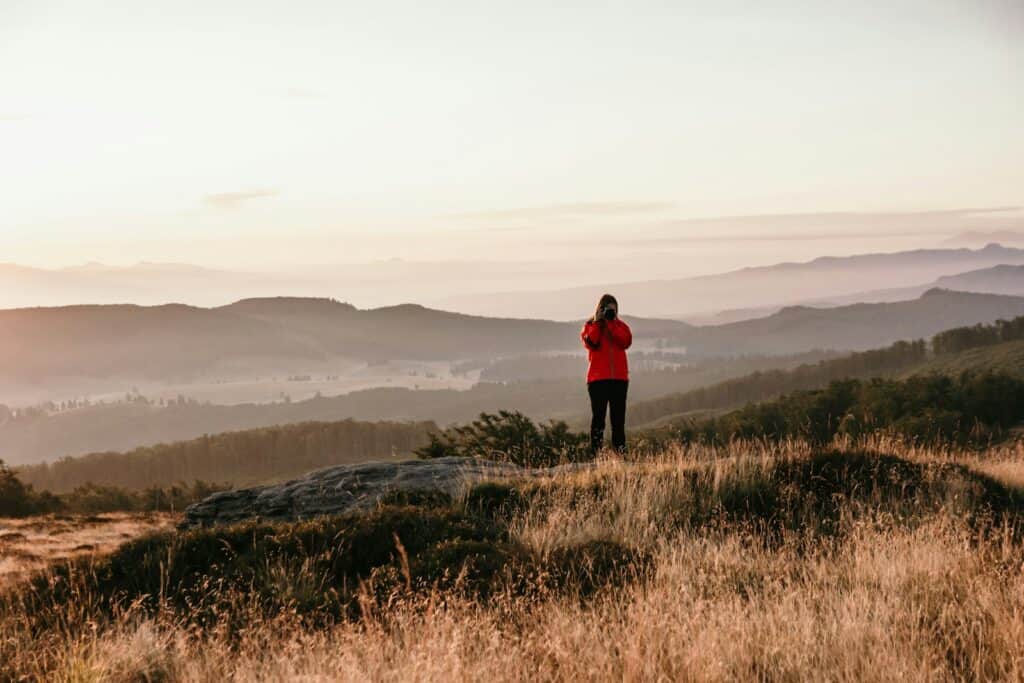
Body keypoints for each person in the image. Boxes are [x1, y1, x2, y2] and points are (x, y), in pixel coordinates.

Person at [580, 293, 632, 455]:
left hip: (619, 379)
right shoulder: (589, 326)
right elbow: (592, 343)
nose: (610, 312)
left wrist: (611, 324)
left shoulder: (621, 326)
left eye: (613, 309)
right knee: (598, 419)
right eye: (606, 309)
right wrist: (597, 323)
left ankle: (620, 454)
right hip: (597, 380)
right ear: (599, 309)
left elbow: (625, 342)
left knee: (618, 420)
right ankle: (595, 454)